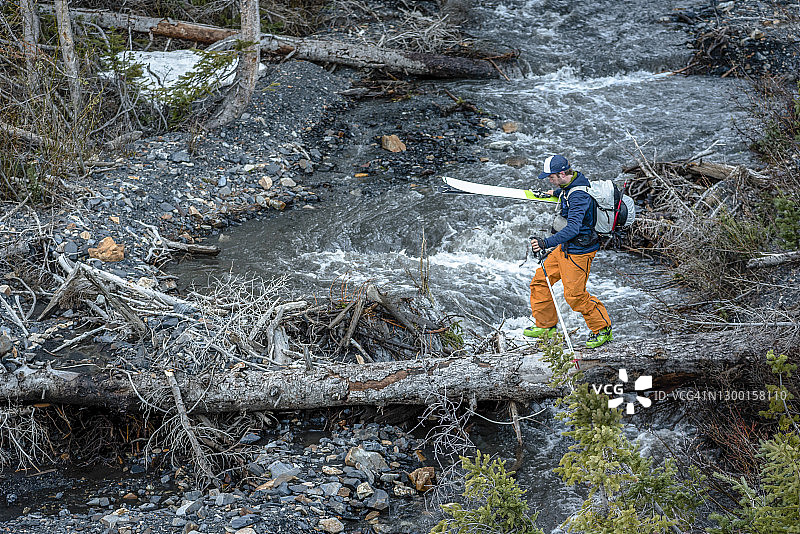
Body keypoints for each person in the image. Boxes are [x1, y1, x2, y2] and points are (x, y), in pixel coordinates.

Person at [524, 155, 613, 348]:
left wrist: (545, 243)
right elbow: (568, 195)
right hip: (564, 248)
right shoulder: (571, 184)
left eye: (551, 177)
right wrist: (556, 193)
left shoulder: (578, 195)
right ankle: (547, 326)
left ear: (562, 173)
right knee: (540, 282)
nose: (549, 179)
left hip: (579, 252)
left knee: (575, 296)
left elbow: (573, 228)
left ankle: (602, 329)